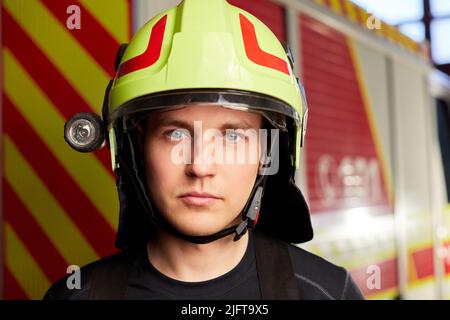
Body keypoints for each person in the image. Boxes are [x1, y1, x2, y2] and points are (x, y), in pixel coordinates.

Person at [45, 0, 364, 300]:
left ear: (267, 155)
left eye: (233, 137)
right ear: (135, 148)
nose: (200, 166)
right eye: (175, 133)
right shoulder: (75, 296)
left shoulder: (330, 292)